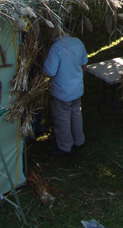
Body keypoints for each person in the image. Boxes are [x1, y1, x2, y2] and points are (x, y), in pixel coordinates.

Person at [43, 26, 89, 155]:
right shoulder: (78, 42)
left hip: (62, 91)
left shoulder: (56, 49)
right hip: (77, 88)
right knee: (76, 114)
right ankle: (79, 141)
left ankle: (64, 146)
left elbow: (49, 71)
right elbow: (84, 64)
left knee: (62, 119)